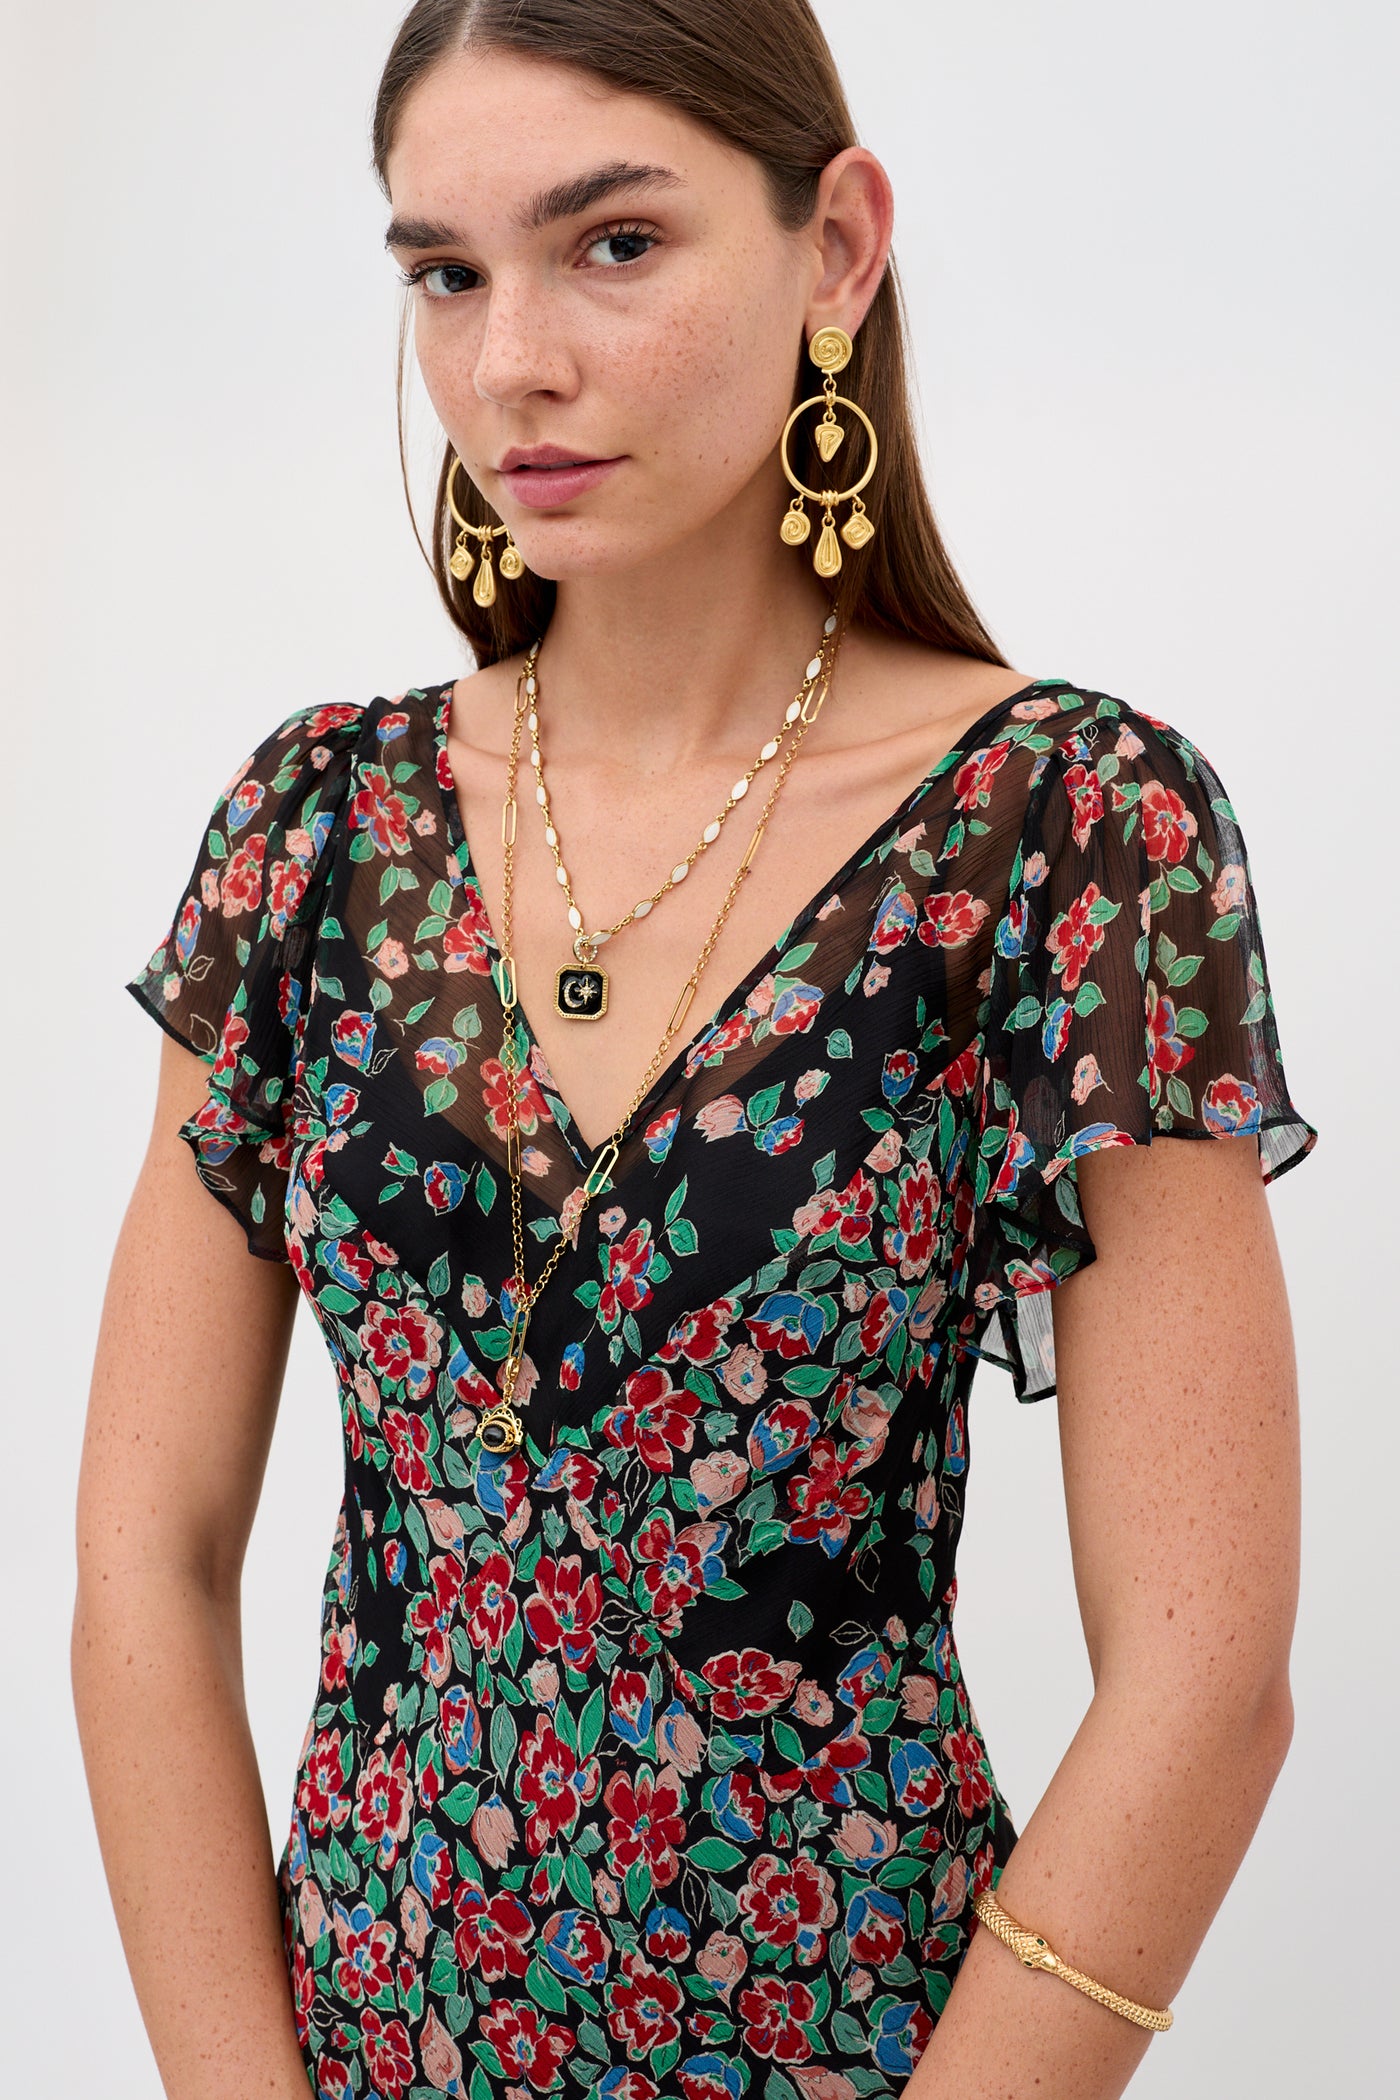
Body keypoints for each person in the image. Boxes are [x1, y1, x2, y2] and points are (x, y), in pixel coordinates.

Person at [73, 3, 1319, 2096]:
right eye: (445, 273)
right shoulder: (315, 833)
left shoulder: (1070, 831)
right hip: (355, 2052)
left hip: (864, 2049)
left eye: (614, 245)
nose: (510, 362)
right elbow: (145, 1558)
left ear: (836, 246)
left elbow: (1205, 1678)